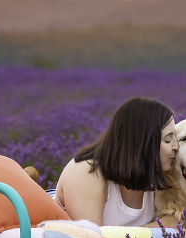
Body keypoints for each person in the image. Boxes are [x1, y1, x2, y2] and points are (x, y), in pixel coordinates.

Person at [55, 97, 178, 226]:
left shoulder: (157, 178)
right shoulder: (87, 172)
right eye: (168, 140)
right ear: (142, 144)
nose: (176, 147)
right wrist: (160, 227)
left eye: (176, 138)